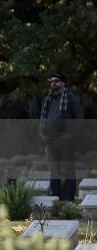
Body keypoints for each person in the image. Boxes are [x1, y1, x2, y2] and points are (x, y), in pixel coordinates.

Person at [39, 73, 83, 201]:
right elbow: (43, 118)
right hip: (50, 140)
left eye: (56, 81)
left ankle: (69, 200)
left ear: (63, 83)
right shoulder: (48, 99)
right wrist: (43, 133)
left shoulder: (71, 98)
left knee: (69, 170)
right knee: (54, 171)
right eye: (51, 81)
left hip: (66, 140)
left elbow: (79, 119)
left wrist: (70, 134)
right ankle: (55, 199)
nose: (53, 83)